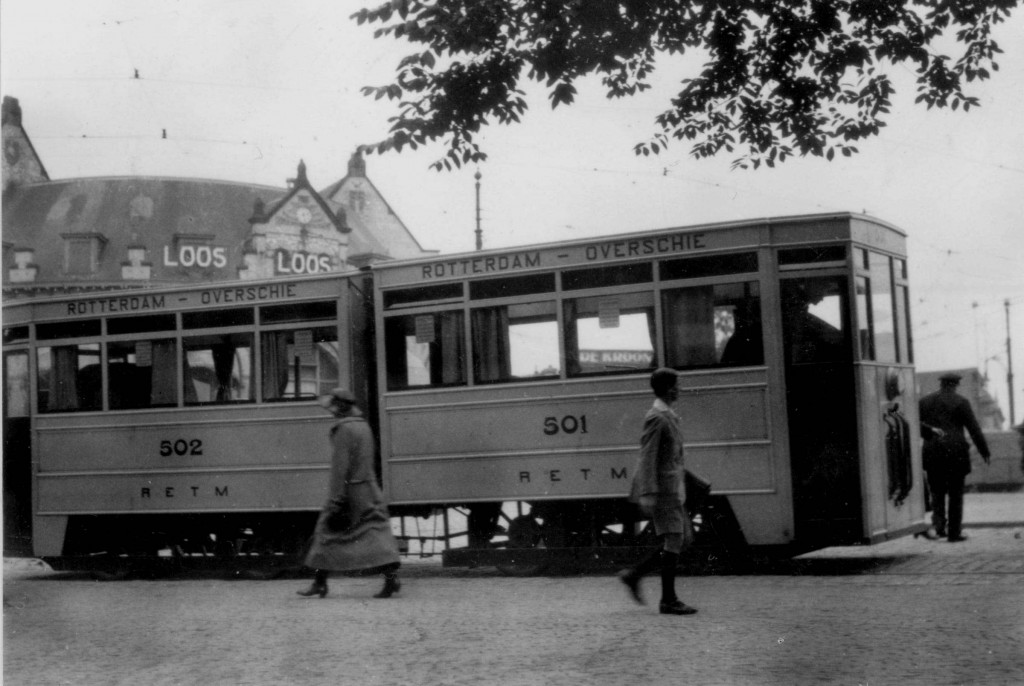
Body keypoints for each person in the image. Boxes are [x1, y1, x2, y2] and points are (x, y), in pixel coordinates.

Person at [297, 388, 402, 599]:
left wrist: (336, 499)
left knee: (326, 534)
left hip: (350, 493)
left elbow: (340, 468)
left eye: (334, 407)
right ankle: (391, 580)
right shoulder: (363, 426)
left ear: (340, 408)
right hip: (369, 489)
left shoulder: (342, 429)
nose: (332, 412)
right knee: (376, 535)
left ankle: (319, 583)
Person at [619, 367, 697, 616]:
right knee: (675, 539)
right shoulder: (657, 417)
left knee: (684, 539)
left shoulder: (668, 415)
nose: (680, 389)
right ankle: (668, 600)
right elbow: (647, 458)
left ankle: (634, 575)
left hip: (673, 488)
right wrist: (648, 492)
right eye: (676, 385)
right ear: (667, 388)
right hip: (663, 491)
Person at [919, 373, 991, 543]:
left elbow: (916, 425)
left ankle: (939, 528)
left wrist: (930, 434)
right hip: (955, 453)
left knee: (936, 491)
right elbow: (974, 429)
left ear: (941, 384)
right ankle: (954, 532)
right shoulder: (961, 402)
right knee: (955, 494)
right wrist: (984, 451)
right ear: (955, 385)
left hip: (933, 451)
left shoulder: (924, 402)